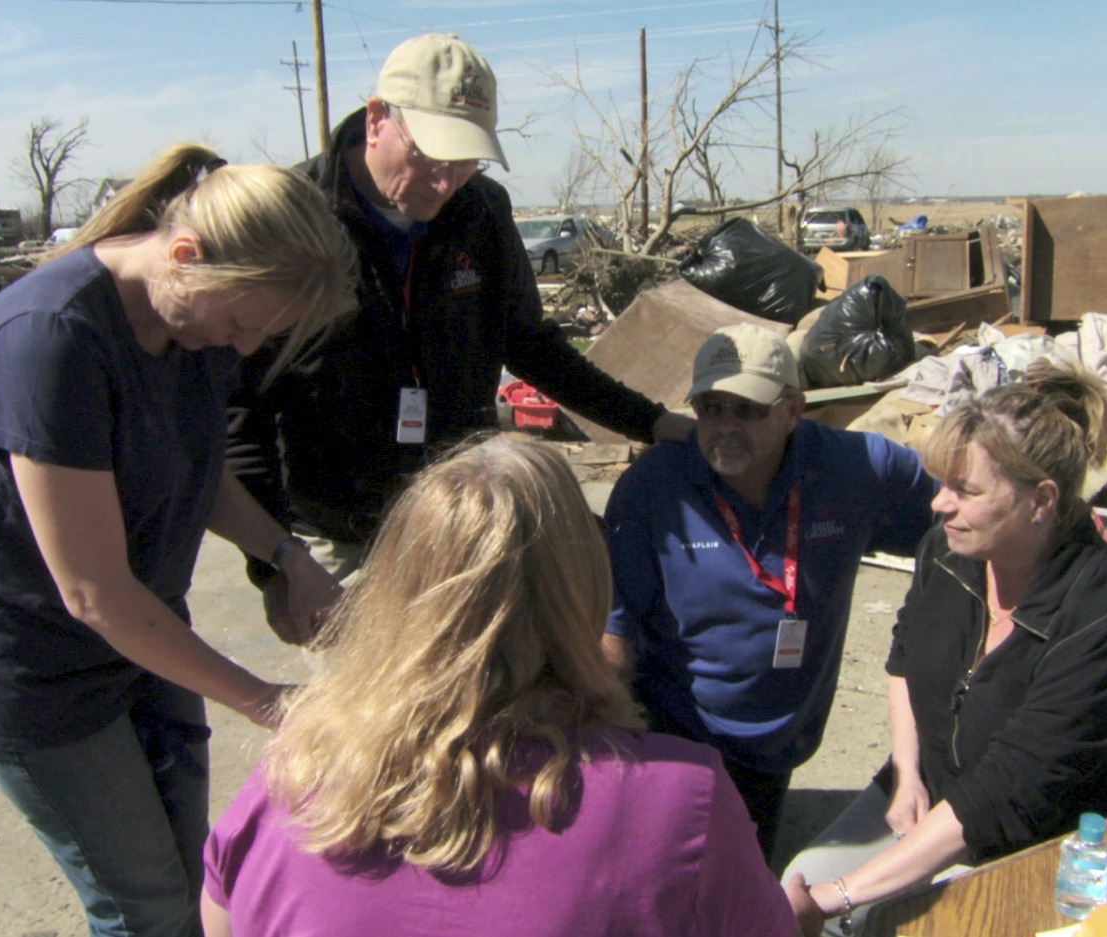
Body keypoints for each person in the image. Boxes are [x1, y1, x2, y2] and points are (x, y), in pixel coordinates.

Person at [0, 144, 359, 937]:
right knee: (142, 905)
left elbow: (200, 469)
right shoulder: (50, 339)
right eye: (242, 323)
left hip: (145, 643)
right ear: (186, 255)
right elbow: (93, 591)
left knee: (191, 879)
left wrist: (285, 557)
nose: (245, 347)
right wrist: (270, 703)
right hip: (40, 673)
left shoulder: (192, 326)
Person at [202, 434, 796, 937]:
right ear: (584, 586)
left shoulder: (287, 781)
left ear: (391, 590)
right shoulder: (683, 798)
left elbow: (219, 916)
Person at [227, 33, 691, 610]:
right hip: (339, 533)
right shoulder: (293, 217)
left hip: (460, 518)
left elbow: (530, 345)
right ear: (377, 120)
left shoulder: (482, 211)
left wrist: (650, 422)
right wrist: (274, 565)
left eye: (465, 160)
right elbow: (241, 407)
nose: (445, 182)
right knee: (368, 699)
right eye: (428, 154)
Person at [781, 363, 1107, 935]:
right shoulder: (947, 550)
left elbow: (1006, 794)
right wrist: (907, 773)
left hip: (1044, 845)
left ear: (1041, 500)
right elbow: (904, 657)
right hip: (932, 791)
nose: (939, 505)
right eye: (942, 484)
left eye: (964, 491)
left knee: (859, 919)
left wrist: (832, 899)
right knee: (801, 871)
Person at [604, 324, 936, 858]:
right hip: (679, 733)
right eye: (710, 408)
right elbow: (614, 632)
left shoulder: (859, 468)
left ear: (793, 411)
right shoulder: (654, 488)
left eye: (748, 410)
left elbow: (961, 519)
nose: (725, 428)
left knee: (747, 876)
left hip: (781, 740)